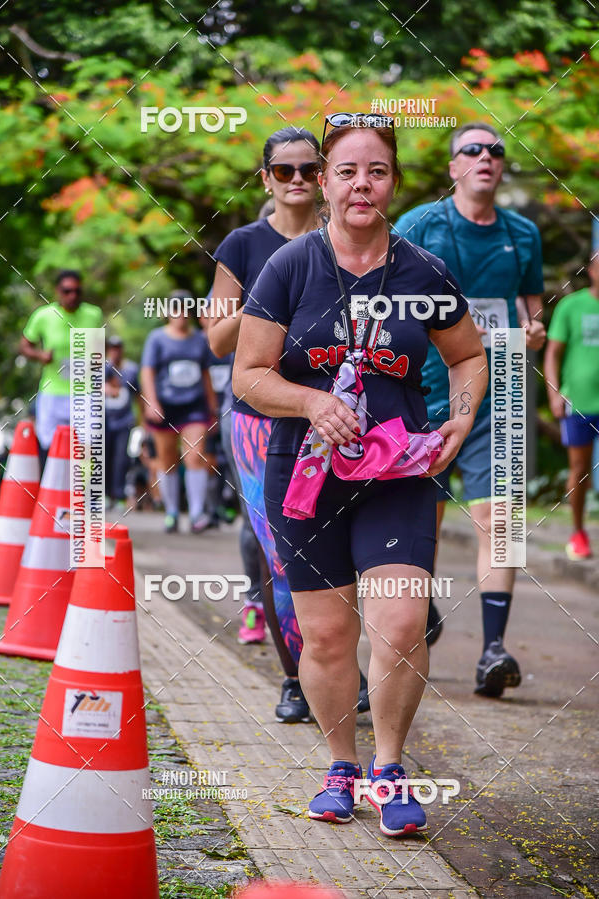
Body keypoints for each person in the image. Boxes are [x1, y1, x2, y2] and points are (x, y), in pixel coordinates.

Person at [234, 112, 488, 836]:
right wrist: (312, 400)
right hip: (305, 472)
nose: (360, 184)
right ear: (322, 182)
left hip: (401, 470)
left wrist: (461, 419)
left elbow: (468, 356)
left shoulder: (422, 270)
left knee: (403, 622)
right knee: (326, 637)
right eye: (345, 171)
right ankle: (339, 765)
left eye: (376, 170)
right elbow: (248, 376)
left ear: (396, 182)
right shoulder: (289, 267)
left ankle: (388, 768)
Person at [393, 121, 545, 698]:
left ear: (502, 168)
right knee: (422, 521)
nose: (486, 157)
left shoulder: (523, 233)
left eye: (496, 151)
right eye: (472, 150)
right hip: (426, 390)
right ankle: (420, 606)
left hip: (500, 386)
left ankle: (494, 649)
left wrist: (533, 329)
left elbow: (531, 307)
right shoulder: (418, 225)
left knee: (497, 521)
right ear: (454, 166)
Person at [208, 126, 323, 722]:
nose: (298, 180)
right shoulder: (244, 244)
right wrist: (268, 286)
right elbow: (218, 337)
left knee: (341, 552)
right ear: (267, 179)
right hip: (258, 419)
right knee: (281, 552)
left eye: (308, 168)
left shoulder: (345, 241)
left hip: (337, 416)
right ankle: (296, 680)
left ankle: (339, 670)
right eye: (285, 171)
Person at [140, 291, 217, 533]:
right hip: (165, 406)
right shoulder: (157, 339)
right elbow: (147, 371)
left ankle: (196, 514)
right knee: (167, 460)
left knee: (196, 455)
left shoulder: (199, 340)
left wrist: (212, 405)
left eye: (185, 309)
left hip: (194, 407)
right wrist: (151, 402)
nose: (181, 314)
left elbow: (205, 373)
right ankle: (172, 511)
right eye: (176, 309)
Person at [544, 253, 599, 559]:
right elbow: (553, 353)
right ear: (591, 271)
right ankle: (578, 533)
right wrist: (553, 392)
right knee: (580, 469)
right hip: (580, 403)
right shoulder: (571, 306)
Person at [20, 270, 103, 468]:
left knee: (87, 446)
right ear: (58, 291)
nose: (72, 296)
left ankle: (84, 497)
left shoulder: (94, 314)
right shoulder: (43, 315)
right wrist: (40, 355)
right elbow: (24, 346)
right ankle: (51, 495)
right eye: (67, 291)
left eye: (77, 291)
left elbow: (100, 347)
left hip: (85, 392)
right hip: (52, 391)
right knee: (50, 446)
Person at [104, 335, 139, 510]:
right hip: (104, 422)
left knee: (121, 458)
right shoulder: (102, 369)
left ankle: (118, 495)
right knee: (104, 456)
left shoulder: (132, 370)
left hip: (124, 421)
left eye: (117, 348)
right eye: (112, 348)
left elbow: (140, 395)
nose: (115, 351)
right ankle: (104, 495)